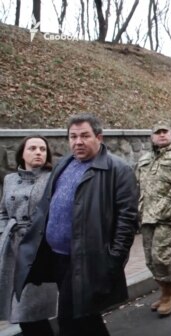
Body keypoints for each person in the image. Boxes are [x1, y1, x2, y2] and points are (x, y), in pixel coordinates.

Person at [14, 114, 139, 336]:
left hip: (87, 260)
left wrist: (113, 260)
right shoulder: (65, 163)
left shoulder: (117, 170)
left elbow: (127, 220)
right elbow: (47, 205)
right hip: (57, 257)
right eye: (73, 136)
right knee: (86, 317)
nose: (77, 142)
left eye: (84, 136)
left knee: (69, 320)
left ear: (99, 137)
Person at [0, 136, 57, 336]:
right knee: (20, 310)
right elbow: (3, 212)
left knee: (31, 311)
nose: (38, 152)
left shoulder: (52, 178)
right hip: (13, 250)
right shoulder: (10, 179)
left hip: (39, 250)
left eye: (42, 149)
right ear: (22, 153)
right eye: (32, 148)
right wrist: (4, 232)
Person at [136, 121, 171, 317]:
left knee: (161, 256)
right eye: (157, 133)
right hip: (146, 215)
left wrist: (170, 198)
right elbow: (139, 184)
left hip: (168, 215)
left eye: (164, 132)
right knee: (150, 260)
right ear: (152, 136)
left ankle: (170, 295)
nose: (161, 135)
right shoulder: (145, 159)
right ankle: (164, 292)